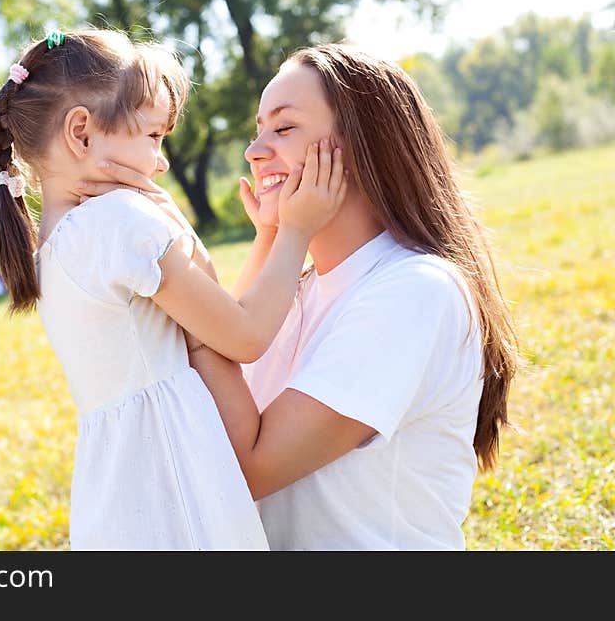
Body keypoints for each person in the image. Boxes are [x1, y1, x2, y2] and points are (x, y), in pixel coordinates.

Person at [78, 43, 520, 550]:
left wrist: (177, 269)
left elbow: (243, 468)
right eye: (259, 128)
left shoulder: (416, 292)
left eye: (284, 128)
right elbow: (207, 404)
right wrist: (269, 239)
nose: (254, 150)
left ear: (362, 148)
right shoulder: (299, 287)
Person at [0, 29, 346, 550]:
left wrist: (242, 235)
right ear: (82, 133)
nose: (162, 162)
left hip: (121, 492)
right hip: (175, 480)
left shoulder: (61, 244)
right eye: (153, 136)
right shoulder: (118, 222)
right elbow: (243, 336)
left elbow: (215, 320)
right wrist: (295, 230)